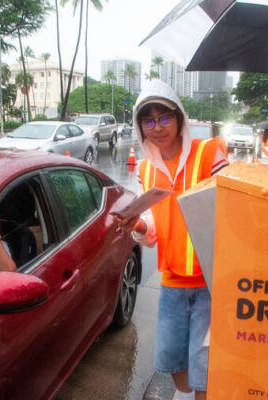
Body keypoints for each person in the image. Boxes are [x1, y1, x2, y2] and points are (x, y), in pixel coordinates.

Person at [115, 80, 228, 400]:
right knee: (176, 367)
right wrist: (135, 222)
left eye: (164, 117)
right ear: (140, 127)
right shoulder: (147, 170)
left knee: (206, 373)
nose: (157, 127)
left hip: (211, 283)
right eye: (148, 120)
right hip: (173, 285)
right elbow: (151, 229)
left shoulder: (210, 153)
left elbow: (234, 211)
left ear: (179, 117)